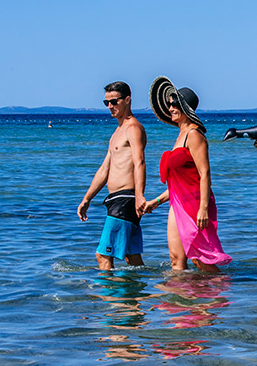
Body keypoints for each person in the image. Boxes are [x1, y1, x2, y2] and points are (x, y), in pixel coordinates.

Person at [142, 77, 231, 272]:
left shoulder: (194, 135)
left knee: (200, 259)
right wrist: (155, 202)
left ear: (187, 108)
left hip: (195, 204)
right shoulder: (180, 135)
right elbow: (177, 184)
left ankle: (220, 294)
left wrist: (203, 208)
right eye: (170, 104)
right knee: (176, 259)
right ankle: (182, 300)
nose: (171, 108)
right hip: (177, 204)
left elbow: (205, 173)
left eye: (176, 104)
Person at [78, 81, 148, 270]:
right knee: (132, 258)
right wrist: (87, 199)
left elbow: (139, 162)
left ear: (127, 100)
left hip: (126, 199)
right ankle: (140, 297)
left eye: (114, 101)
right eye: (106, 102)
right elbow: (104, 169)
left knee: (103, 256)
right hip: (116, 199)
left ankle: (110, 299)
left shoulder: (133, 129)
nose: (110, 106)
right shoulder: (117, 132)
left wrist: (140, 195)